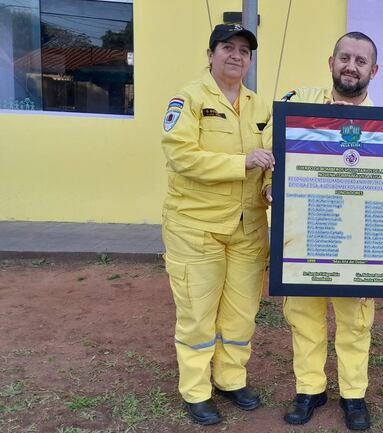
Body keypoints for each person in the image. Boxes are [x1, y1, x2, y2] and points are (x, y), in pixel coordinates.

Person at [262, 31, 379, 431]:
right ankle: (310, 389)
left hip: (357, 245)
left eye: (360, 61)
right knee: (304, 317)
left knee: (355, 322)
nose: (351, 66)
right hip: (304, 237)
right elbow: (270, 156)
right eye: (344, 57)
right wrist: (269, 186)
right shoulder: (298, 107)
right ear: (331, 61)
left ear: (373, 71)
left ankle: (353, 395)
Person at [160, 23, 274, 426]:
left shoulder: (260, 106)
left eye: (244, 51)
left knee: (241, 314)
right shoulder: (188, 99)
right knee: (197, 313)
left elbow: (271, 161)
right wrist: (241, 163)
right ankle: (196, 390)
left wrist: (273, 189)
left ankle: (231, 378)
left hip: (247, 228)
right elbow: (182, 156)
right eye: (228, 47)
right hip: (196, 227)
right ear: (210, 54)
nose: (236, 56)